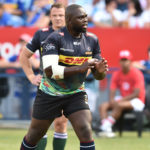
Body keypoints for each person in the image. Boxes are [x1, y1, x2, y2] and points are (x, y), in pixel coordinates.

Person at [20, 4, 108, 150]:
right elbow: (50, 71)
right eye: (81, 17)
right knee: (34, 135)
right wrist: (30, 76)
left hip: (75, 93)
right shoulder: (52, 38)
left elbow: (98, 75)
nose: (86, 20)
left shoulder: (92, 39)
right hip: (49, 94)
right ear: (70, 20)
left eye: (86, 17)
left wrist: (100, 71)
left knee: (85, 129)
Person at [19, 3, 68, 150]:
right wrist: (30, 76)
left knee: (61, 123)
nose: (58, 18)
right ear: (50, 17)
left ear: (66, 17)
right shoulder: (41, 34)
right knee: (40, 126)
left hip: (67, 87)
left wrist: (79, 77)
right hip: (46, 87)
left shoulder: (74, 34)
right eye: (55, 15)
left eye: (61, 15)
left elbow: (87, 60)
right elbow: (24, 56)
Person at [98, 50, 145, 138]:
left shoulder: (136, 73)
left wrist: (120, 100)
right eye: (122, 60)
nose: (124, 63)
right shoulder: (117, 74)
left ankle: (103, 127)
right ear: (119, 61)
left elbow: (136, 94)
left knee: (119, 104)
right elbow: (112, 90)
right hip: (123, 99)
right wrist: (112, 100)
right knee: (103, 106)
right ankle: (107, 130)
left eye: (126, 60)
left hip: (138, 101)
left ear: (130, 61)